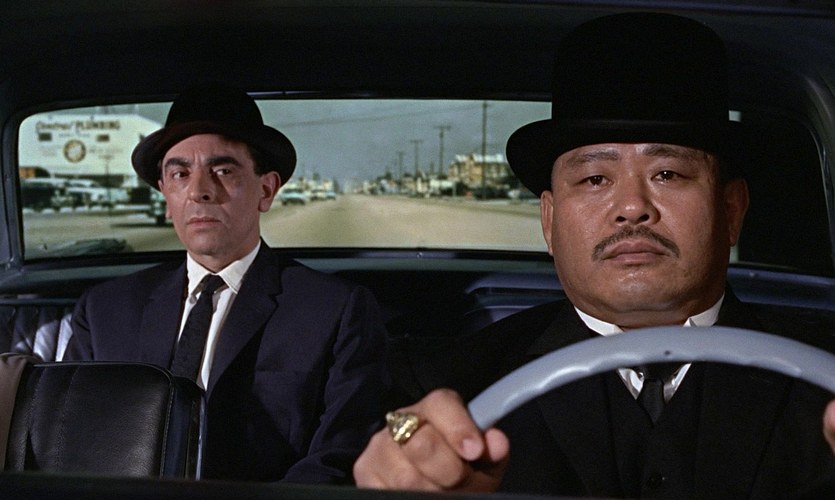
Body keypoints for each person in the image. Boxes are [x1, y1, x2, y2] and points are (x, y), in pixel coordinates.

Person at [354, 12, 835, 497]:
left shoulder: (825, 377)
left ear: (731, 210)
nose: (632, 207)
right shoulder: (444, 392)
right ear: (548, 220)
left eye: (667, 174)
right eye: (594, 179)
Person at [65, 83, 388, 484]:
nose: (200, 191)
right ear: (165, 195)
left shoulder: (335, 311)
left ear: (266, 190)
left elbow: (340, 455)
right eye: (180, 174)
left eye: (223, 171)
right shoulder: (104, 311)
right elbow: (67, 441)